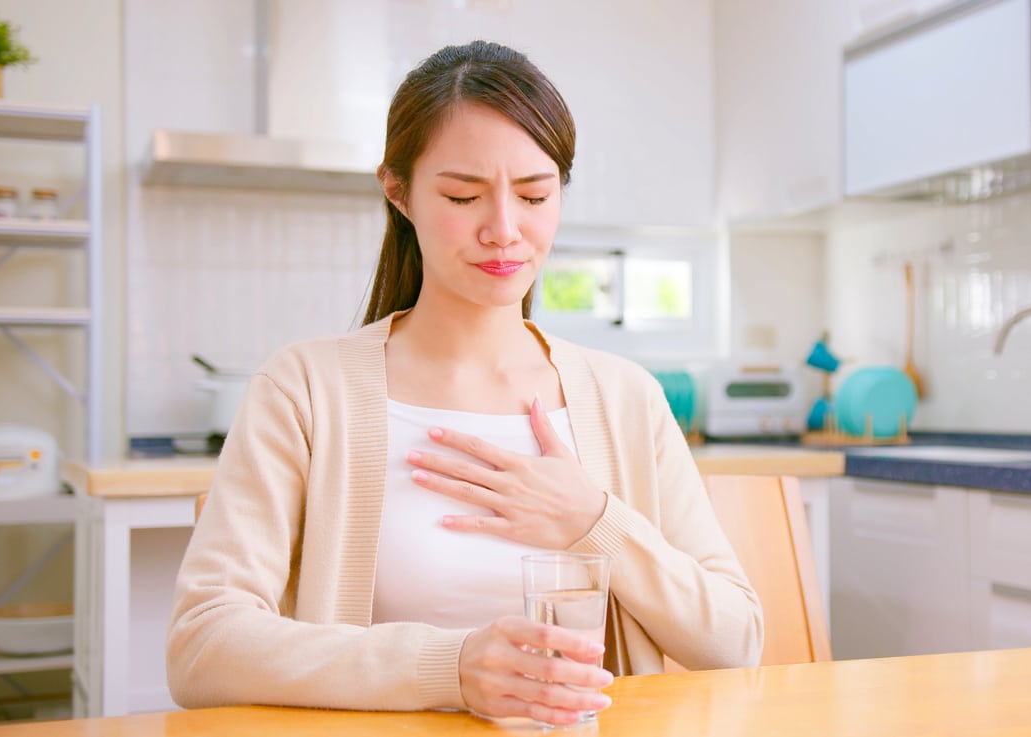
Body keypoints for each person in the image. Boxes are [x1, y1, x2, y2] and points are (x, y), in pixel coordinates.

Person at [166, 41, 763, 726]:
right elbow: (201, 644)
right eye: (462, 195)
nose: (504, 231)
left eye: (535, 194)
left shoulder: (626, 397)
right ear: (399, 191)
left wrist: (595, 520)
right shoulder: (304, 389)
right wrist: (449, 666)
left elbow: (737, 641)